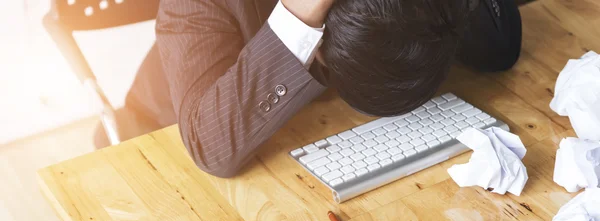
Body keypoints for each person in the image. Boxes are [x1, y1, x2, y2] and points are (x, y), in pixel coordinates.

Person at [116, 0, 521, 178]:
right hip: (165, 139)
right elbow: (210, 147)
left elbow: (501, 46)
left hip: (321, 126)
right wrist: (298, 15)